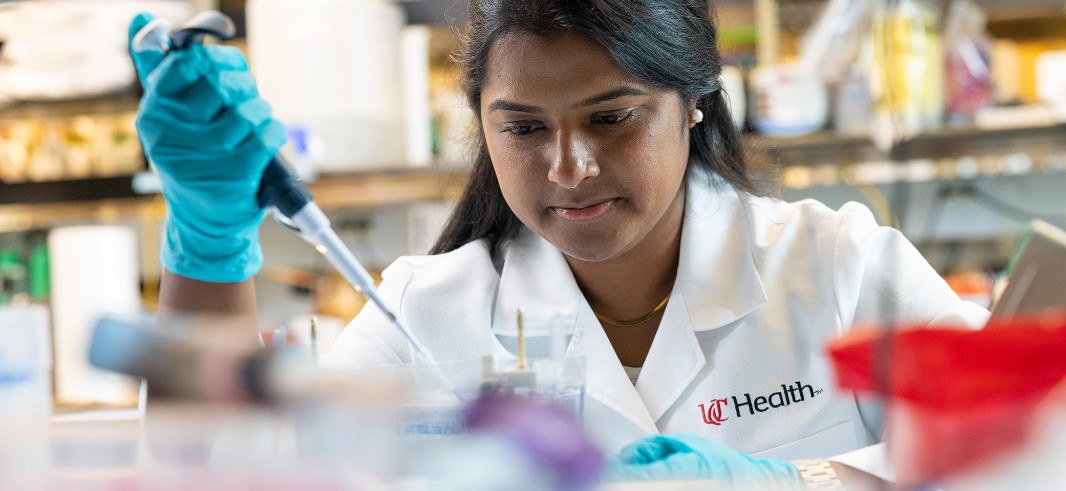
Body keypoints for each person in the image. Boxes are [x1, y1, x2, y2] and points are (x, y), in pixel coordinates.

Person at [130, 0, 987, 486]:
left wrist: (801, 483)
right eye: (524, 128)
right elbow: (210, 473)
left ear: (693, 101)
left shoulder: (840, 267)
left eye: (611, 118)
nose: (569, 168)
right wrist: (207, 243)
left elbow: (1032, 456)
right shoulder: (425, 315)